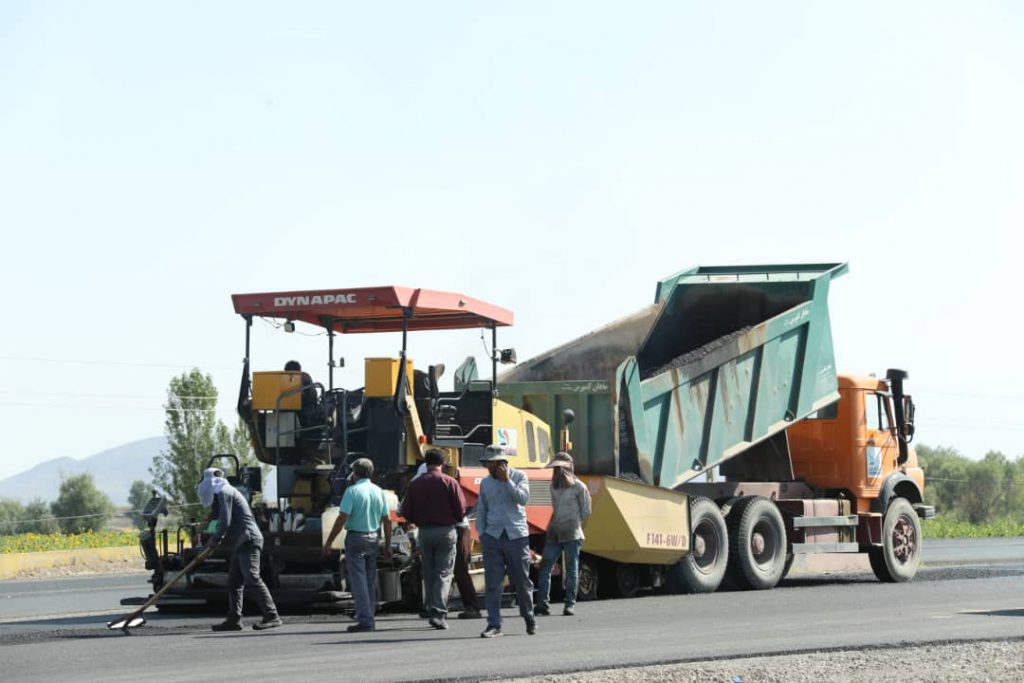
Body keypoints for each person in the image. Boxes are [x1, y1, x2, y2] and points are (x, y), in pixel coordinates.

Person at [198, 467, 283, 632]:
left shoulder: (225, 492)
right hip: (242, 541)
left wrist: (213, 542)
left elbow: (225, 521)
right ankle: (234, 619)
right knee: (234, 582)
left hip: (248, 539)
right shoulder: (226, 491)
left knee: (252, 578)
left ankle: (272, 615)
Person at [323, 457, 393, 632]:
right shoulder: (379, 492)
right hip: (373, 538)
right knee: (369, 580)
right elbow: (387, 520)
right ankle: (369, 616)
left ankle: (365, 620)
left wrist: (329, 541)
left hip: (356, 539)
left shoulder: (352, 491)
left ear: (354, 473)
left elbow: (342, 518)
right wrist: (388, 545)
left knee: (358, 580)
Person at [399, 448, 466, 630]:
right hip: (445, 531)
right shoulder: (449, 482)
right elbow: (461, 510)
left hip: (425, 533)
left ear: (426, 463)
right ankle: (438, 611)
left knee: (429, 572)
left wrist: (418, 520)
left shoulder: (415, 484)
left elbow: (405, 511)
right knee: (444, 572)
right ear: (442, 463)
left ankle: (430, 608)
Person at [475, 446, 536, 638]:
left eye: (489, 463)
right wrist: (482, 534)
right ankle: (494, 624)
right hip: (492, 536)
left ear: (501, 463)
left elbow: (523, 499)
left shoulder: (519, 477)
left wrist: (507, 481)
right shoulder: (485, 483)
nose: (487, 467)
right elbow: (482, 509)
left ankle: (529, 616)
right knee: (493, 583)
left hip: (516, 536)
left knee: (521, 581)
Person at [535, 452, 592, 617]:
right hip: (555, 531)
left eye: (560, 468)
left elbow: (586, 511)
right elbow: (554, 509)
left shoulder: (579, 487)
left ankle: (570, 604)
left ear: (568, 468)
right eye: (556, 468)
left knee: (572, 569)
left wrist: (575, 523)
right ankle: (542, 604)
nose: (557, 471)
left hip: (572, 531)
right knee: (545, 565)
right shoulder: (553, 487)